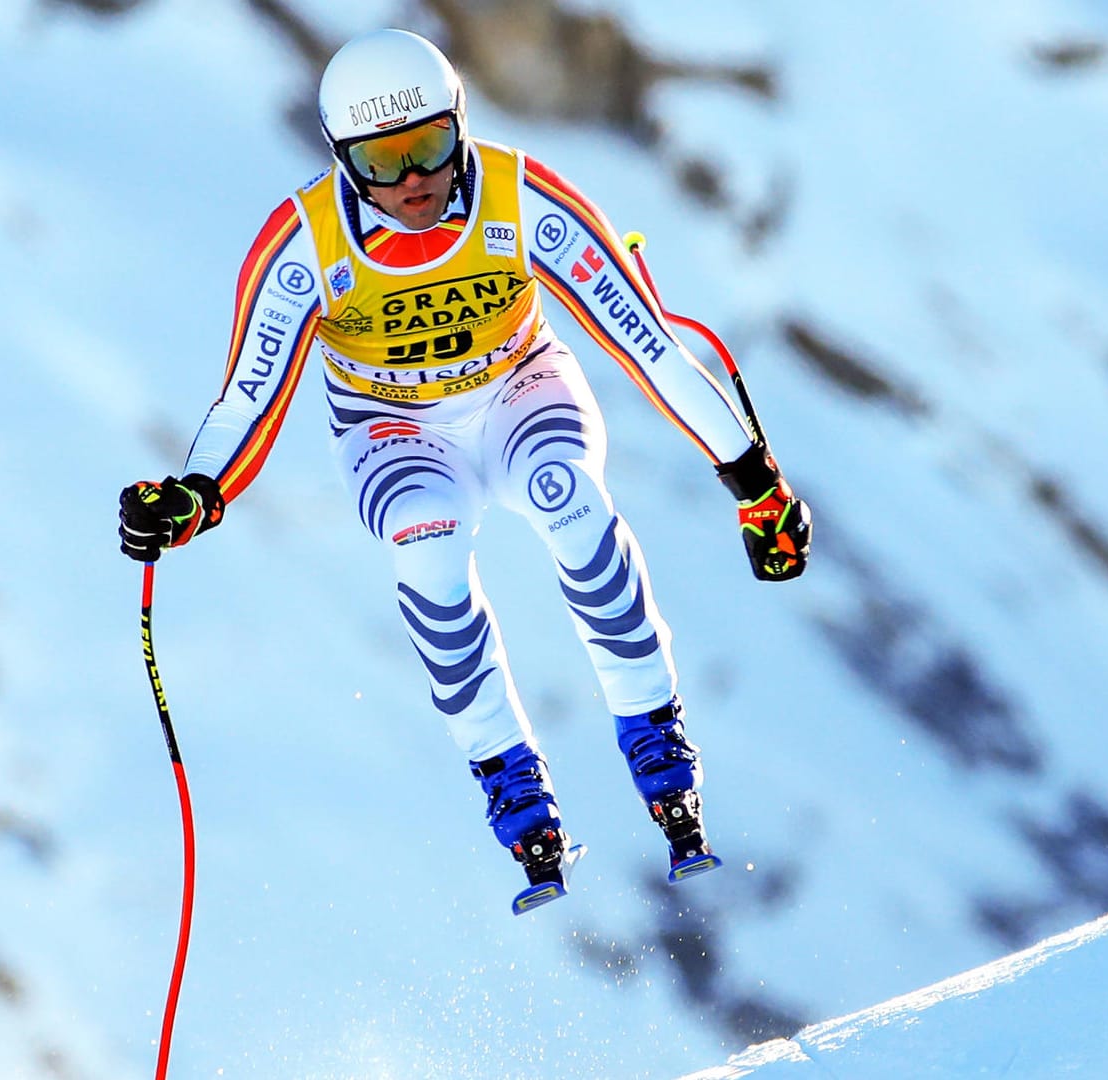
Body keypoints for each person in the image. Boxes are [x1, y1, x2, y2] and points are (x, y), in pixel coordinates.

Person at [117, 28, 811, 911]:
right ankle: (512, 783)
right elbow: (250, 395)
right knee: (426, 547)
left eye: (432, 147)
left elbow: (650, 347)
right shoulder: (305, 245)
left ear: (461, 124)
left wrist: (755, 483)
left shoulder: (523, 202)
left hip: (520, 387)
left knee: (571, 502)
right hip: (394, 428)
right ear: (341, 159)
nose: (413, 179)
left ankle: (659, 747)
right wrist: (195, 494)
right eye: (384, 159)